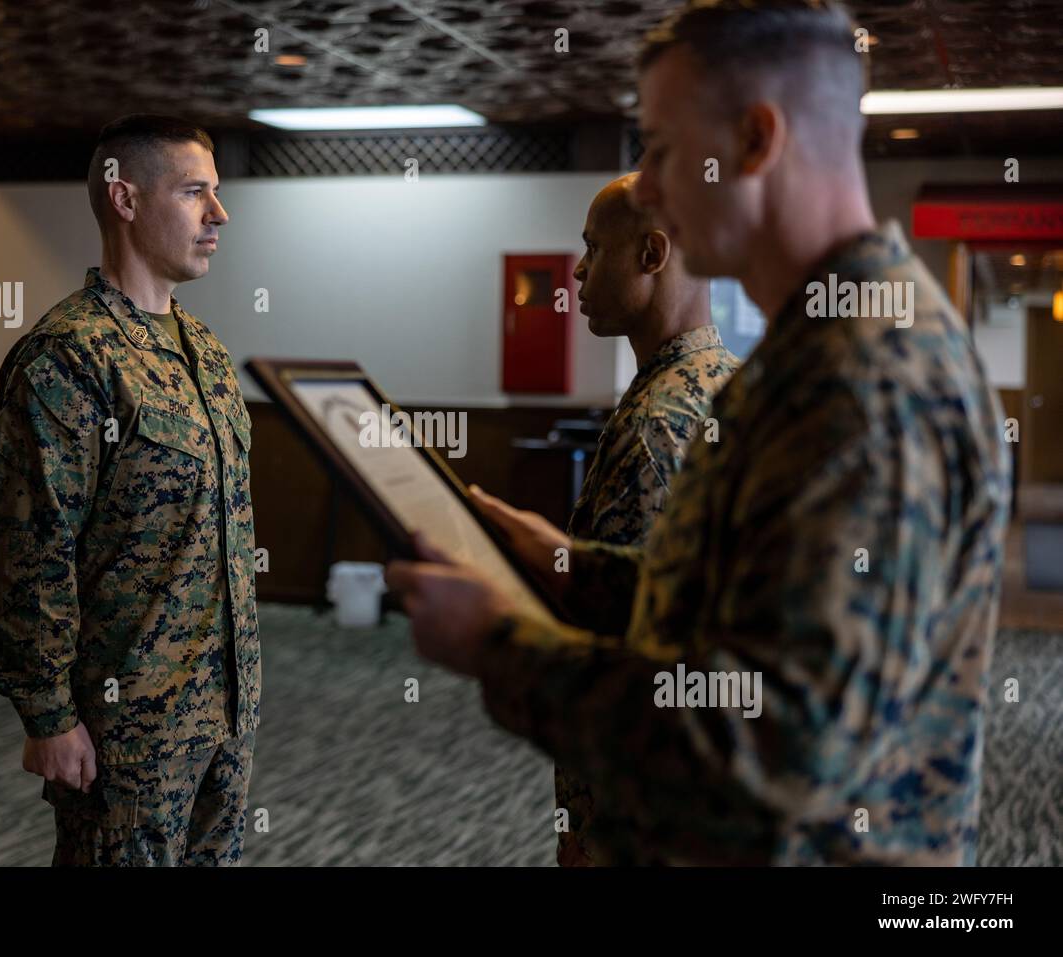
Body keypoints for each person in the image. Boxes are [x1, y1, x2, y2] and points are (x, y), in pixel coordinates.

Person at [388, 0, 1010, 864]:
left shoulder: (861, 381)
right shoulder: (820, 345)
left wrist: (500, 645)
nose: (646, 187)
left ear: (756, 141)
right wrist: (570, 568)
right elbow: (746, 607)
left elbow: (768, 747)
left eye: (663, 148)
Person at [0, 114, 258, 866]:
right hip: (124, 724)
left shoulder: (206, 353)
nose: (218, 214)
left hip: (223, 709)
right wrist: (47, 713)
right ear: (126, 200)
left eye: (217, 193)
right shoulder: (68, 358)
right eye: (195, 192)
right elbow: (32, 549)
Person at [538, 171, 738, 865]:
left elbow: (626, 645)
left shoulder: (657, 423)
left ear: (652, 254)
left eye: (595, 248)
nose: (581, 269)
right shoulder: (737, 383)